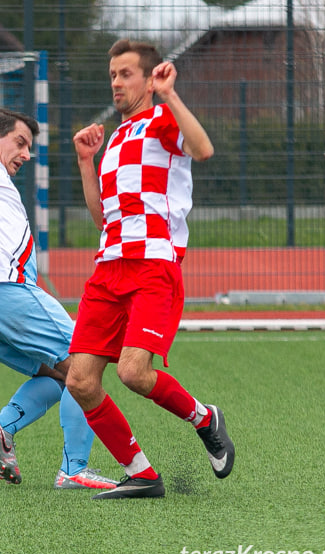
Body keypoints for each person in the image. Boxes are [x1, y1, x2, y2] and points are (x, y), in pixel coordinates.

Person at [68, 39, 234, 500]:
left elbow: (202, 150)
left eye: (125, 74)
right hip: (108, 268)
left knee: (133, 373)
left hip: (152, 266)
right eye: (113, 76)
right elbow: (103, 218)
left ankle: (205, 418)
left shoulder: (162, 119)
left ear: (148, 77)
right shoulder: (116, 138)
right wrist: (86, 163)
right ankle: (141, 473)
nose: (117, 83)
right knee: (80, 380)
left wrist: (171, 96)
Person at [0, 108, 117, 489]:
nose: (26, 154)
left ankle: (2, 427)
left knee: (56, 375)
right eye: (20, 142)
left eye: (29, 147)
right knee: (85, 364)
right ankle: (74, 470)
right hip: (0, 292)